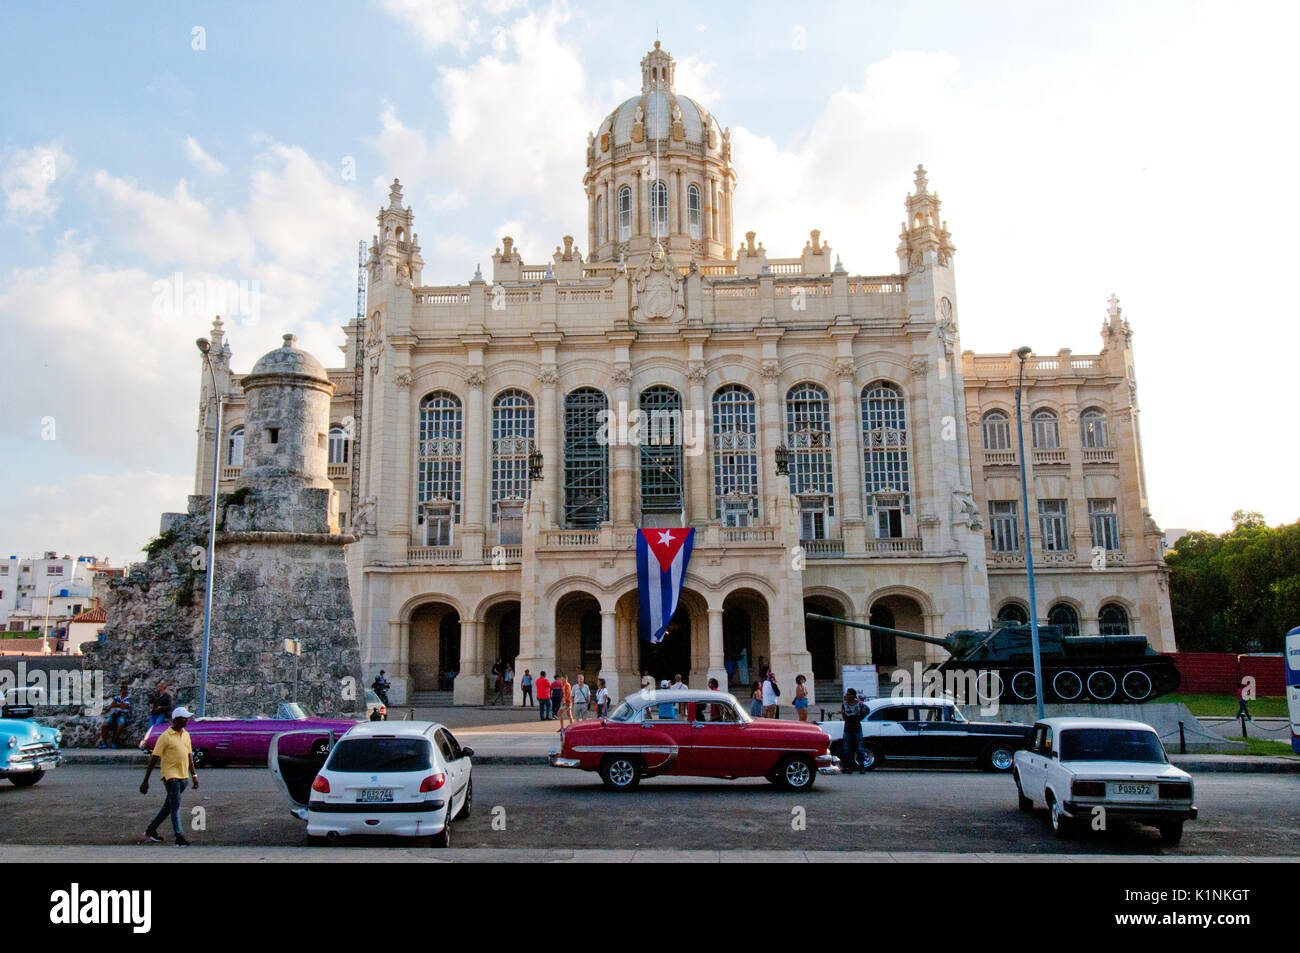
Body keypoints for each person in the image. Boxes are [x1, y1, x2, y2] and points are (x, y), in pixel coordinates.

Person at [140, 706, 199, 846]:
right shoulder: (165, 737)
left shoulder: (186, 735)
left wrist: (194, 775)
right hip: (171, 776)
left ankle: (150, 830)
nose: (187, 721)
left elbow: (189, 756)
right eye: (184, 718)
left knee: (168, 806)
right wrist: (145, 781)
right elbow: (154, 759)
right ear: (176, 720)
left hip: (183, 777)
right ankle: (179, 836)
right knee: (175, 806)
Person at [841, 688, 867, 774]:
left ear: (853, 695)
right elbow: (843, 715)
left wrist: (859, 718)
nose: (847, 696)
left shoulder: (860, 704)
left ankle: (861, 766)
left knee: (859, 748)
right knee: (846, 749)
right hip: (848, 728)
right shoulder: (844, 704)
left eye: (849, 694)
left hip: (857, 728)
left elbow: (866, 711)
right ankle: (846, 767)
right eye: (846, 694)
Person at [99, 683, 132, 749]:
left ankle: (114, 742)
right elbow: (112, 706)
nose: (123, 691)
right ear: (120, 691)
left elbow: (124, 707)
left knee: (120, 726)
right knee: (104, 726)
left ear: (126, 691)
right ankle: (104, 743)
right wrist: (120, 705)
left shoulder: (128, 698)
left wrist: (117, 705)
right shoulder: (117, 697)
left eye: (125, 690)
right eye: (122, 690)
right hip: (114, 714)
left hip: (122, 715)